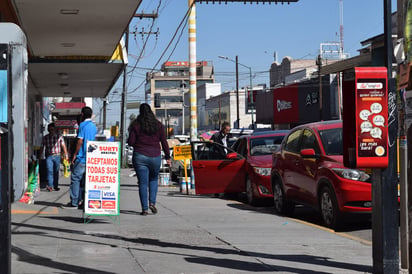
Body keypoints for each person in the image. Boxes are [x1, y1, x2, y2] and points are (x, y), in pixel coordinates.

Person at [128, 103, 171, 216]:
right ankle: (152, 202)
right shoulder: (158, 125)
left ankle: (145, 209)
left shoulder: (136, 125)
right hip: (155, 156)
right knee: (153, 180)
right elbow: (164, 142)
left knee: (142, 183)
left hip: (140, 155)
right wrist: (168, 157)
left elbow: (131, 142)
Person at [63, 106, 97, 209]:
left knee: (75, 179)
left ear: (82, 115)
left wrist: (74, 154)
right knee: (85, 181)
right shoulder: (94, 126)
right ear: (91, 115)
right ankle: (84, 201)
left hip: (82, 156)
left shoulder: (82, 125)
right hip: (91, 157)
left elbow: (80, 141)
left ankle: (74, 201)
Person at [40, 123, 69, 191]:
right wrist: (40, 157)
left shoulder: (59, 136)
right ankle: (50, 186)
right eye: (49, 130)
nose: (51, 131)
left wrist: (66, 155)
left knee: (56, 171)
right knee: (49, 170)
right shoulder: (45, 137)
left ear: (55, 130)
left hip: (57, 156)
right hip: (49, 156)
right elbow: (42, 147)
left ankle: (55, 185)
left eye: (52, 130)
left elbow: (63, 146)